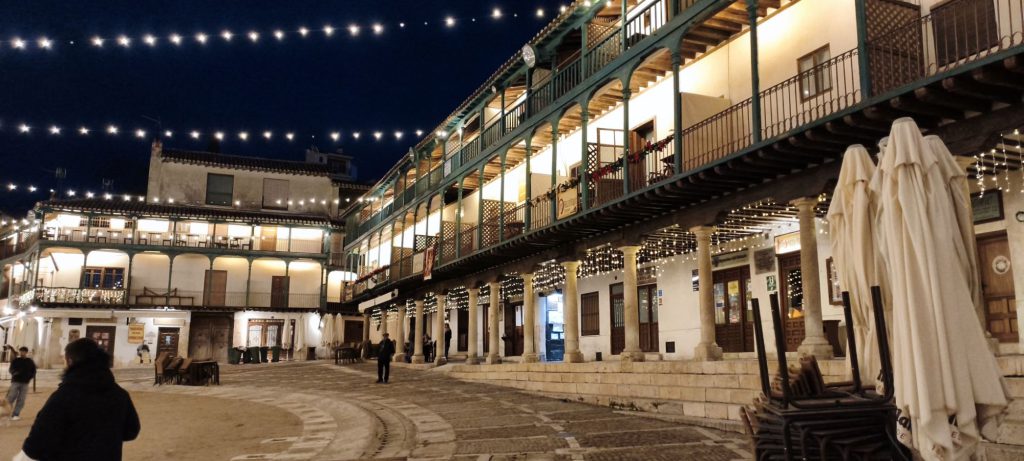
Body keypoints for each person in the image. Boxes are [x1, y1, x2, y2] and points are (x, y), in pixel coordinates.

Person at [16, 338, 140, 461]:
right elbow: (132, 431)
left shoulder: (64, 396)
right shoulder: (120, 395)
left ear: (70, 361)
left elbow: (37, 444)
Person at [5, 346, 36, 421]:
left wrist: (29, 377)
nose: (22, 353)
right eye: (21, 351)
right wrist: (15, 373)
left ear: (26, 352)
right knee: (11, 397)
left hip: (25, 383)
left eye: (24, 351)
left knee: (21, 399)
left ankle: (16, 414)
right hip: (15, 381)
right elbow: (11, 369)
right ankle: (5, 414)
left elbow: (34, 371)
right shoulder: (16, 360)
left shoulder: (30, 361)